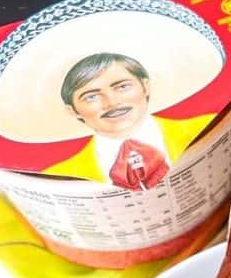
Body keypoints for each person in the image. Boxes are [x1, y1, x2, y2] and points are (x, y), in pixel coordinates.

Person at [47, 52, 213, 190]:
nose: (112, 102)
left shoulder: (208, 128)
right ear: (72, 110)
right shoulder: (58, 175)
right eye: (92, 97)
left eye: (122, 87)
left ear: (145, 86)